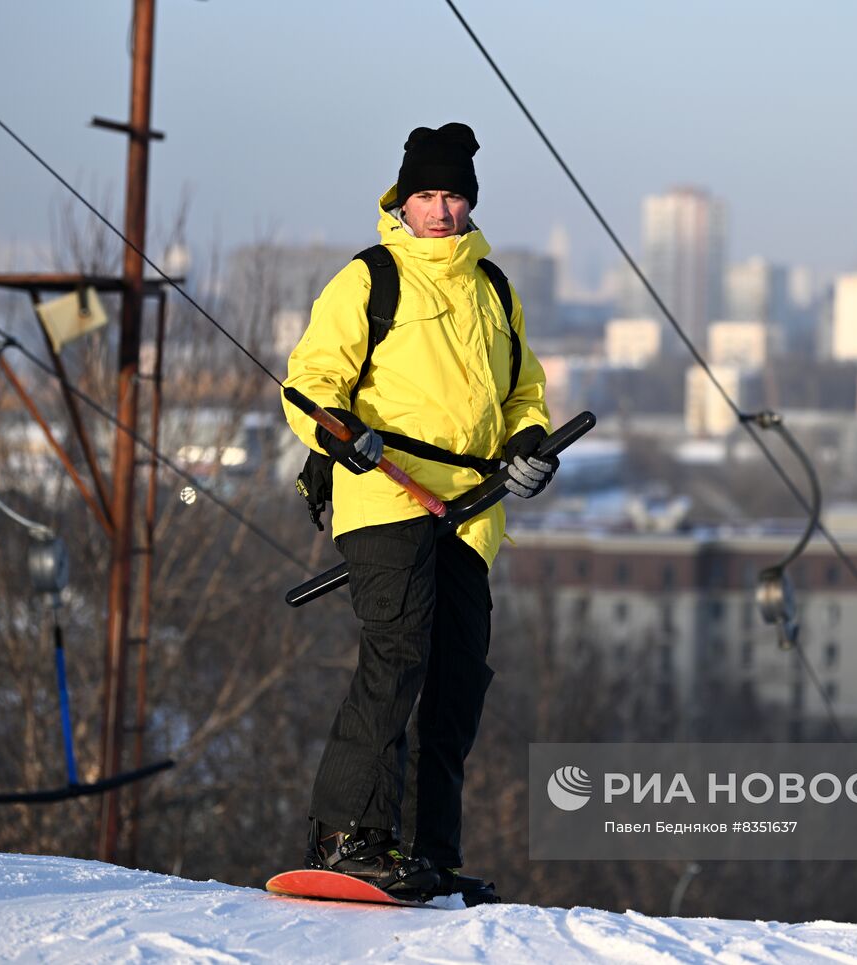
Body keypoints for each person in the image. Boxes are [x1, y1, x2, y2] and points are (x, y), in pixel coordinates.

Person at [280, 122, 556, 902]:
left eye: (452, 195)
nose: (439, 210)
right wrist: (349, 440)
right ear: (402, 200)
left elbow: (522, 392)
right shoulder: (369, 279)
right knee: (398, 654)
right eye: (426, 195)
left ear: (469, 202)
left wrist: (530, 445)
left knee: (456, 678)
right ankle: (348, 836)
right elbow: (310, 385)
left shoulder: (493, 287)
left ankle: (429, 850)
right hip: (385, 492)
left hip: (470, 510)